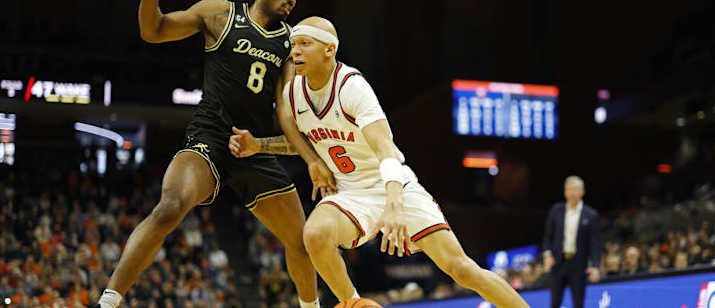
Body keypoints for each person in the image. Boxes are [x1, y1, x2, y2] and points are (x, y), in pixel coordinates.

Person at [228, 16, 531, 307]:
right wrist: (259, 145)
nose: (295, 50)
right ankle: (355, 304)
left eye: (305, 43)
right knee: (315, 234)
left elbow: (386, 149)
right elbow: (308, 144)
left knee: (462, 269)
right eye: (293, 44)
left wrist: (394, 205)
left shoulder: (352, 86)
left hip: (394, 185)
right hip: (350, 193)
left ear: (329, 49)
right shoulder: (293, 93)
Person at [97, 0, 337, 308]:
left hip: (253, 148)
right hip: (210, 137)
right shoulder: (220, 13)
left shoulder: (289, 42)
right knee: (169, 207)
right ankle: (108, 301)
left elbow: (284, 110)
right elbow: (154, 31)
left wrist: (310, 158)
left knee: (301, 240)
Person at [542, 176, 601, 308]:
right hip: (559, 263)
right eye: (570, 190)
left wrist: (596, 266)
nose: (573, 193)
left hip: (579, 265)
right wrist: (547, 254)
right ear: (565, 192)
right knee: (555, 303)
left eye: (576, 189)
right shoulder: (556, 210)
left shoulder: (591, 215)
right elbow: (548, 236)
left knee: (578, 304)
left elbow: (595, 243)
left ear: (582, 192)